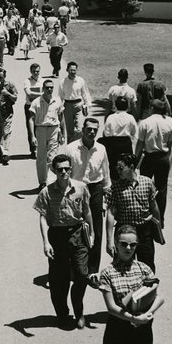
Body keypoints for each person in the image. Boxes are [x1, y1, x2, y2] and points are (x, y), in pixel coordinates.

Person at [35, 154, 92, 328]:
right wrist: (46, 242)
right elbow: (43, 218)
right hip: (57, 236)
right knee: (59, 280)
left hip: (77, 234)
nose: (64, 172)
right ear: (54, 171)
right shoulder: (47, 192)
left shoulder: (81, 188)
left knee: (82, 275)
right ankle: (62, 313)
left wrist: (92, 234)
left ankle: (79, 311)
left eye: (67, 168)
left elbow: (87, 212)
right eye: (60, 170)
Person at [57, 117, 111, 275]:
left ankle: (93, 270)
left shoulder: (101, 149)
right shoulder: (71, 148)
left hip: (95, 189)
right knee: (74, 227)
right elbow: (61, 169)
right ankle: (76, 267)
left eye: (95, 129)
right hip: (75, 189)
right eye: (89, 129)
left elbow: (105, 172)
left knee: (96, 229)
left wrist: (107, 193)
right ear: (82, 129)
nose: (92, 132)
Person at [106, 155, 161, 269]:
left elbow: (153, 205)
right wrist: (109, 240)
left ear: (131, 167)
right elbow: (111, 213)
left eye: (121, 168)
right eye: (117, 168)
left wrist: (158, 228)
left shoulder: (147, 182)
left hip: (144, 231)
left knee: (147, 266)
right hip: (124, 232)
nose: (118, 171)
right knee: (121, 267)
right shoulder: (115, 188)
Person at [135, 98, 172, 224]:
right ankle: (160, 218)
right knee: (161, 188)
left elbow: (140, 144)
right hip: (162, 158)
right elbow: (170, 144)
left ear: (152, 108)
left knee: (145, 187)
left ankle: (145, 214)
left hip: (149, 158)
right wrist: (167, 158)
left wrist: (135, 161)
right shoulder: (168, 123)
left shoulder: (145, 123)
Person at [30, 77, 64, 189]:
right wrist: (32, 136)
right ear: (43, 89)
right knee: (41, 157)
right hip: (41, 129)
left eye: (51, 88)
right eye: (47, 88)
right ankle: (42, 182)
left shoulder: (57, 101)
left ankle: (52, 182)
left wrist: (62, 133)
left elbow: (61, 117)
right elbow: (31, 119)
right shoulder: (36, 102)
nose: (49, 90)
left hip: (54, 129)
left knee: (52, 157)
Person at [58, 60, 92, 144]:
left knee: (80, 129)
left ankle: (80, 146)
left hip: (78, 105)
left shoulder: (81, 80)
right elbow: (60, 96)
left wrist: (87, 105)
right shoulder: (63, 82)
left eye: (74, 70)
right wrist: (59, 108)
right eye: (71, 70)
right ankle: (70, 150)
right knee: (70, 132)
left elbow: (85, 93)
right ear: (67, 70)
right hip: (67, 106)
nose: (73, 72)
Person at [101, 94, 138, 169]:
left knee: (113, 166)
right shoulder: (130, 118)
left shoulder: (111, 117)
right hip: (126, 144)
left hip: (113, 145)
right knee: (126, 166)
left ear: (116, 106)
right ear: (127, 106)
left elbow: (106, 133)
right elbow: (135, 133)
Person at [22, 63, 42, 156]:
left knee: (40, 127)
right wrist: (42, 94)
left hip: (40, 106)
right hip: (29, 106)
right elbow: (28, 94)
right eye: (34, 71)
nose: (35, 73)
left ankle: (41, 148)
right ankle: (33, 150)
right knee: (31, 128)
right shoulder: (27, 81)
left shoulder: (42, 81)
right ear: (30, 71)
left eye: (37, 71)